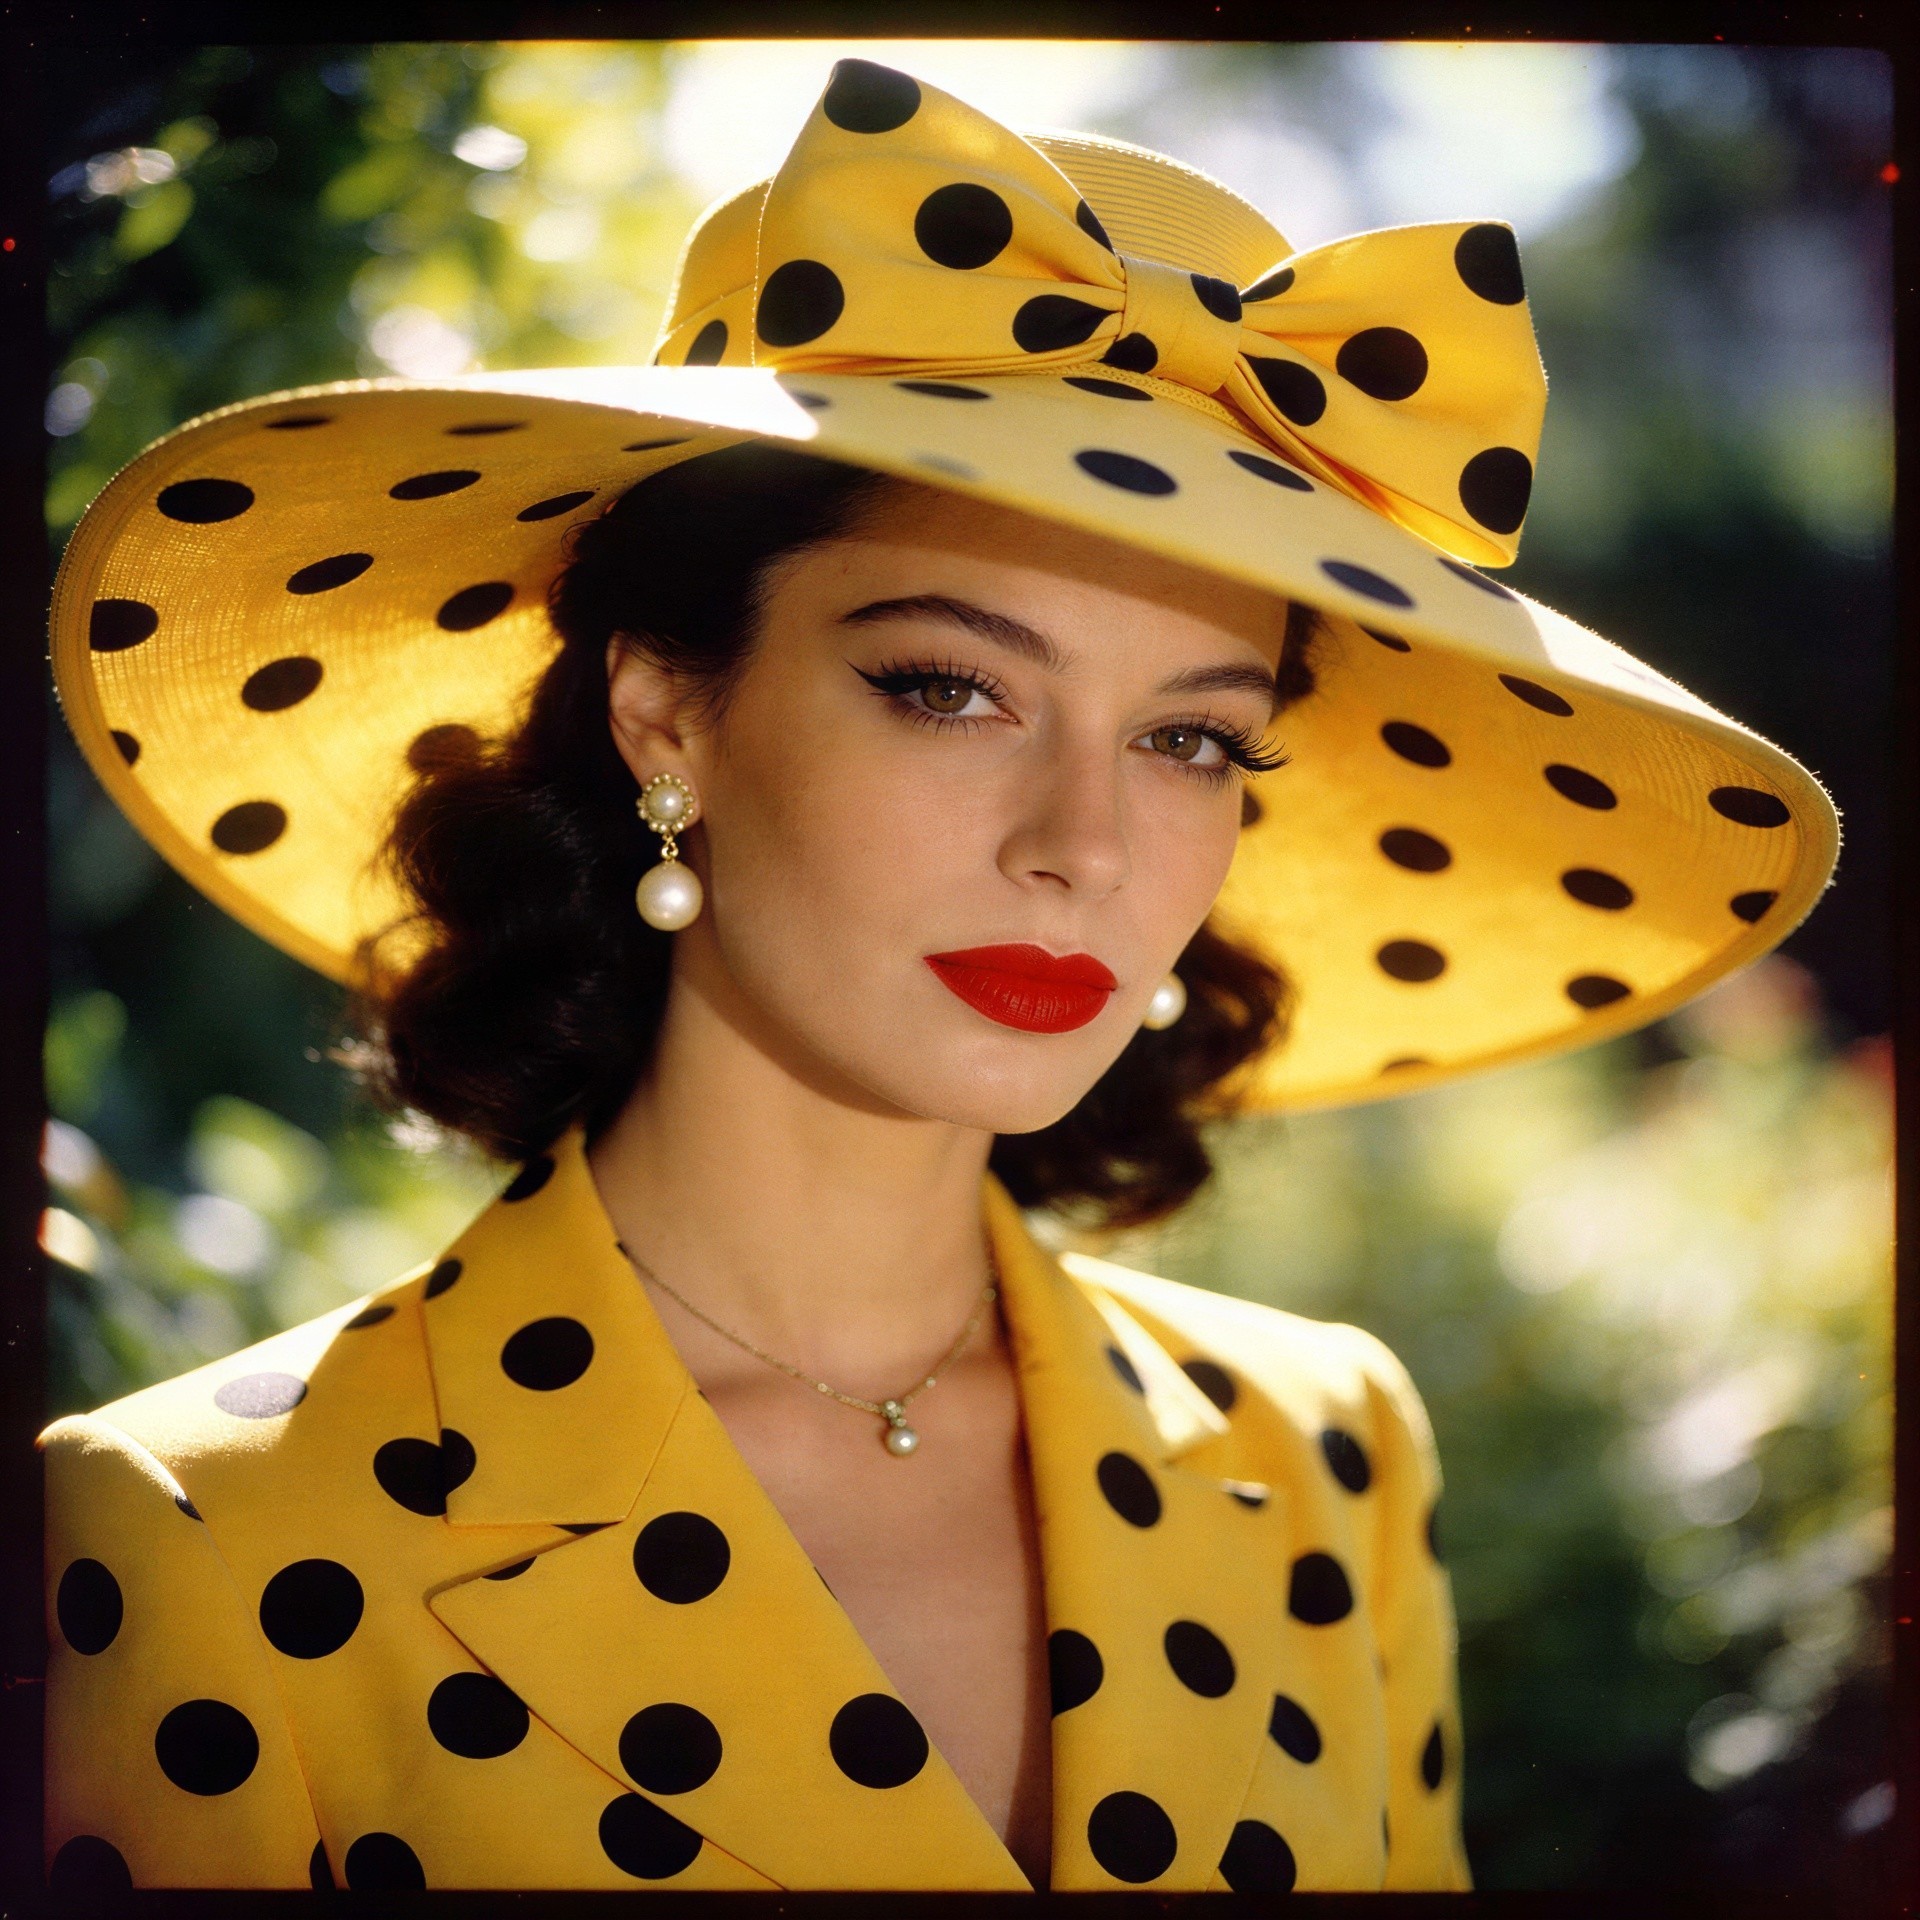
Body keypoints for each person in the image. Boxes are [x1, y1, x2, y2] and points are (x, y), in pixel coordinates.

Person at [36, 60, 1836, 1895]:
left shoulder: (1325, 1452)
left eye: (1194, 742)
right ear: (669, 714)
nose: (1089, 845)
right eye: (948, 688)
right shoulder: (207, 1535)